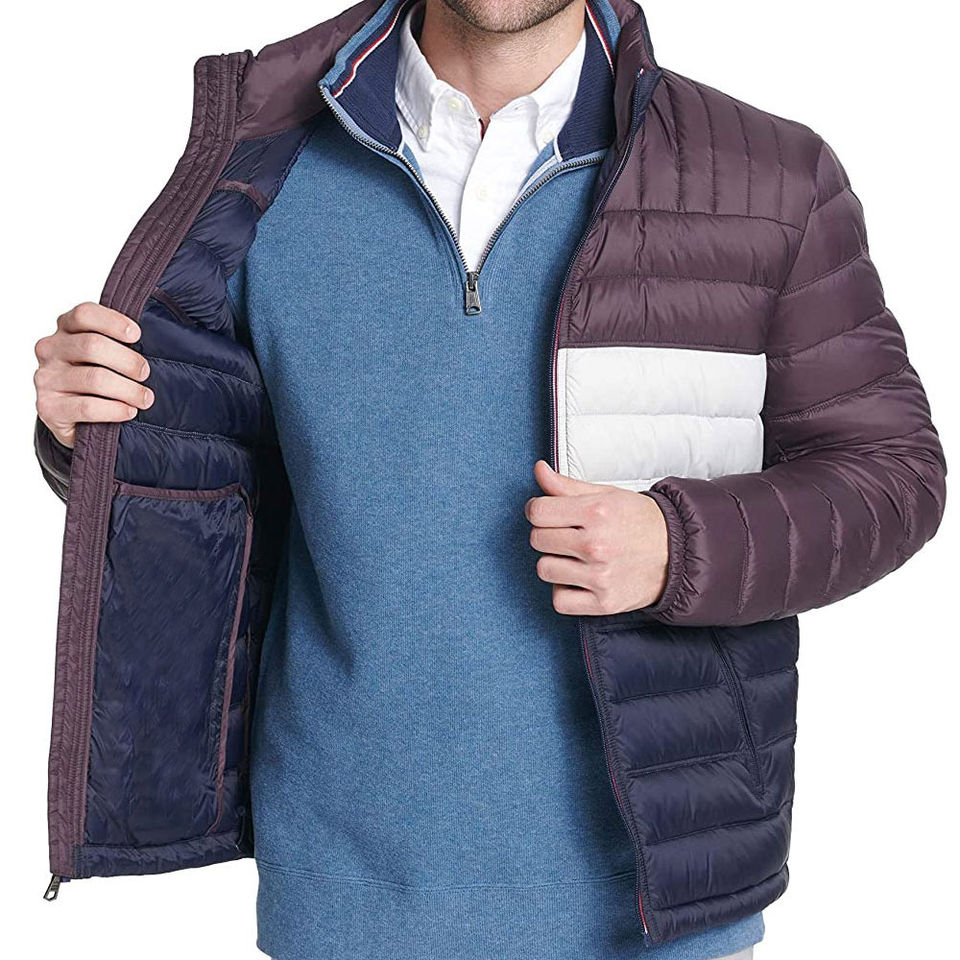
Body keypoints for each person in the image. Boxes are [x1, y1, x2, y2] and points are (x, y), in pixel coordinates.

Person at [32, 1, 946, 959]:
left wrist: (683, 546)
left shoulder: (765, 176)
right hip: (345, 905)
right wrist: (93, 430)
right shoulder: (264, 165)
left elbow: (894, 473)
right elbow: (220, 482)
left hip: (655, 910)